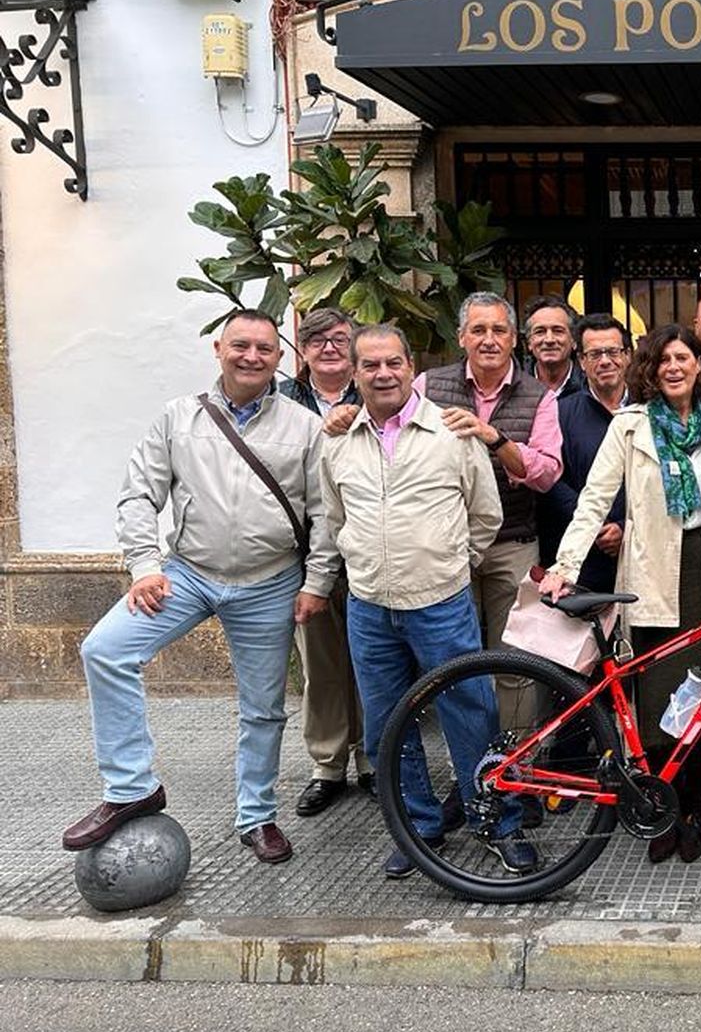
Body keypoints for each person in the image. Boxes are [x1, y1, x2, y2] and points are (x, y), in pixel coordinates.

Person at [63, 310, 338, 865]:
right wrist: (145, 566)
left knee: (263, 709)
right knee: (105, 650)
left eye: (264, 349)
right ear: (219, 349)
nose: (252, 356)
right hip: (185, 574)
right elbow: (138, 495)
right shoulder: (178, 418)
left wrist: (317, 581)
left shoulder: (304, 427)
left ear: (279, 358)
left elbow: (325, 513)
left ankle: (256, 817)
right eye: (241, 345)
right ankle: (130, 787)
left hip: (270, 582)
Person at [540, 325, 701, 865]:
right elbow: (594, 500)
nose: (674, 367)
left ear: (700, 365)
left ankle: (695, 806)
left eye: (684, 357)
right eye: (664, 360)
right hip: (654, 579)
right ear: (650, 370)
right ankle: (665, 806)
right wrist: (565, 566)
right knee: (659, 707)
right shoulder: (630, 426)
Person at [319, 324, 535, 880]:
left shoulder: (452, 432)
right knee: (387, 724)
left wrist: (453, 565)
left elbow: (485, 515)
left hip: (441, 601)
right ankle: (417, 826)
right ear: (354, 373)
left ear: (410, 366)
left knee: (472, 714)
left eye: (393, 362)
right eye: (371, 365)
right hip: (369, 605)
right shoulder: (338, 440)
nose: (383, 374)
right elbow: (334, 517)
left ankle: (498, 822)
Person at [419, 293, 562, 727]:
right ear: (461, 337)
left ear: (514, 338)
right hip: (446, 544)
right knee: (453, 663)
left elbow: (547, 473)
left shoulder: (540, 396)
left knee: (515, 662)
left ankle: (515, 758)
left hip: (513, 543)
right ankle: (469, 758)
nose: (489, 339)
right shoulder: (427, 386)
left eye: (499, 330)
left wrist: (496, 439)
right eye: (478, 330)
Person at [279, 309, 369, 816]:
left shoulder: (376, 392)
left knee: (373, 662)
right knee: (322, 665)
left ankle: (373, 759)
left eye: (339, 339)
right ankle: (328, 765)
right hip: (304, 551)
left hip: (366, 549)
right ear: (302, 347)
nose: (329, 348)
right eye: (317, 339)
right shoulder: (280, 401)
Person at [537, 314, 633, 593]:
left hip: (639, 553)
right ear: (581, 361)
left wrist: (623, 527)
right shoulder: (559, 412)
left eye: (613, 352)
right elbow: (551, 478)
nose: (605, 361)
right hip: (581, 560)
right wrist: (597, 526)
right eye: (594, 354)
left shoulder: (649, 412)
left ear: (627, 356)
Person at [524, 295, 584, 399]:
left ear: (574, 340)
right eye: (540, 332)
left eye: (558, 331)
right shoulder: (514, 388)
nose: (549, 340)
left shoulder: (590, 386)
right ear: (529, 342)